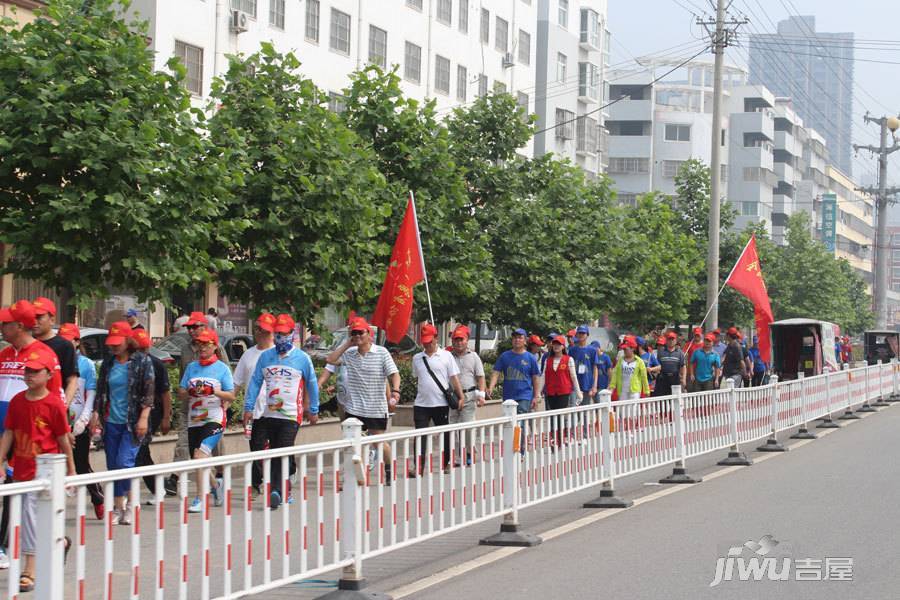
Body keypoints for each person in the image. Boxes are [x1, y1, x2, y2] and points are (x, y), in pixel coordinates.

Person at [0, 353, 75, 593]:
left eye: (35, 372)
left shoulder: (53, 403)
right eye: (27, 371)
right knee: (31, 517)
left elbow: (63, 439)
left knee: (31, 518)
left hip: (45, 471)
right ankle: (60, 542)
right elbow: (9, 433)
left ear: (49, 375)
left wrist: (71, 470)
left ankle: (29, 569)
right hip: (20, 467)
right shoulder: (18, 401)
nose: (29, 376)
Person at [0, 300, 61, 570]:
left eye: (5, 323)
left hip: (29, 438)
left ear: (19, 326)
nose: (1, 327)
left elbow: (56, 399)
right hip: (6, 433)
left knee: (25, 499)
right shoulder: (3, 355)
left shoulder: (43, 355)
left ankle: (25, 557)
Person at [244, 314, 319, 508]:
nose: (280, 338)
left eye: (284, 334)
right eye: (277, 334)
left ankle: (276, 491)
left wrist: (313, 408)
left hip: (291, 415)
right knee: (259, 451)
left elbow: (311, 383)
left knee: (281, 451)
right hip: (268, 414)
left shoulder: (302, 358)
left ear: (292, 334)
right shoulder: (266, 357)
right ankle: (279, 484)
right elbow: (255, 382)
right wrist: (248, 407)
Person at [91, 321, 154, 526]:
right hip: (111, 421)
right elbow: (101, 391)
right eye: (112, 343)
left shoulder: (142, 362)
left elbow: (149, 393)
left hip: (133, 422)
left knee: (124, 462)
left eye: (118, 342)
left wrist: (144, 417)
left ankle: (130, 505)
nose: (114, 346)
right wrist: (96, 414)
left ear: (128, 341)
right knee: (113, 466)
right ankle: (119, 507)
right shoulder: (108, 363)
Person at [326, 316, 400, 480]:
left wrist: (395, 391)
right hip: (354, 408)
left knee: (379, 443)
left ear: (369, 334)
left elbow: (394, 374)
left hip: (375, 408)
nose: (357, 336)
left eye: (360, 332)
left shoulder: (381, 352)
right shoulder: (349, 354)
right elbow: (330, 359)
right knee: (351, 443)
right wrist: (347, 343)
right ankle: (354, 476)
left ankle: (388, 470)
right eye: (354, 333)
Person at [166, 311, 227, 495]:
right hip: (190, 406)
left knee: (214, 445)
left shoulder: (217, 348)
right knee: (185, 442)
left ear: (204, 327)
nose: (191, 331)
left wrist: (224, 399)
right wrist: (182, 394)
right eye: (189, 328)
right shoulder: (185, 349)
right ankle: (174, 478)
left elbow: (225, 374)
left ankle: (220, 475)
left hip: (212, 406)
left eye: (195, 327)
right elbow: (184, 376)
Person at [179, 329, 234, 513]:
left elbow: (231, 395)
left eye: (206, 344)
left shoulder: (222, 369)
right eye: (199, 344)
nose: (201, 347)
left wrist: (214, 392)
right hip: (195, 419)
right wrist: (190, 393)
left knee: (199, 455)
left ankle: (199, 499)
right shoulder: (191, 368)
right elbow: (180, 392)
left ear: (215, 346)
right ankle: (216, 487)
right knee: (198, 461)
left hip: (215, 419)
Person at [58, 323, 105, 519]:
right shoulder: (54, 360)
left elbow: (91, 393)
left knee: (81, 463)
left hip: (78, 421)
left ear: (77, 342)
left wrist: (84, 419)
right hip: (58, 421)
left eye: (69, 339)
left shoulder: (86, 364)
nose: (64, 343)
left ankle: (97, 497)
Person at [410, 323, 464, 475]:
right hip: (421, 403)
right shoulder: (417, 358)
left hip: (441, 403)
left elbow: (454, 378)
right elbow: (417, 377)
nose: (427, 344)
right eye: (424, 342)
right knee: (420, 435)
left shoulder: (446, 356)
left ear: (436, 338)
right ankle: (418, 467)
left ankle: (446, 462)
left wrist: (461, 396)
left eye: (430, 341)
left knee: (445, 433)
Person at [132, 329, 171, 501]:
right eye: (138, 349)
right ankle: (156, 487)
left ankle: (157, 488)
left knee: (140, 451)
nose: (142, 353)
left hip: (153, 412)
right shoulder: (128, 364)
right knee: (139, 451)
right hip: (133, 412)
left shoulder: (156, 364)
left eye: (144, 349)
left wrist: (166, 418)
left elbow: (165, 393)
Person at [448, 325, 485, 466]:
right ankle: (455, 456)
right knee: (452, 428)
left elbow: (480, 377)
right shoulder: (447, 356)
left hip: (469, 397)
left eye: (461, 339)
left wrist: (481, 395)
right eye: (455, 340)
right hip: (452, 398)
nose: (458, 342)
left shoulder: (474, 357)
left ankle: (469, 453)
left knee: (468, 427)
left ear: (467, 340)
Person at [31, 297, 78, 406]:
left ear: (52, 319)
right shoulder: (27, 344)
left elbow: (72, 381)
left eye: (39, 317)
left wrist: (62, 407)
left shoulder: (64, 346)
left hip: (53, 408)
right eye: (32, 317)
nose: (34, 322)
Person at [487, 328, 541, 415]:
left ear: (525, 341)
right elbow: (496, 372)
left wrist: (536, 396)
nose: (517, 340)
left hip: (524, 396)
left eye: (520, 338)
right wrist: (491, 387)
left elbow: (535, 377)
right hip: (508, 396)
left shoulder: (530, 358)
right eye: (515, 337)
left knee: (519, 422)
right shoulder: (504, 356)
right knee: (510, 423)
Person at [541, 335, 581, 446]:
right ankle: (556, 438)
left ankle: (560, 438)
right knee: (553, 415)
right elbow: (543, 376)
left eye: (559, 344)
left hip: (564, 391)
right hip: (550, 391)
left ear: (563, 346)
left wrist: (578, 392)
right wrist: (538, 392)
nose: (556, 346)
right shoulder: (548, 360)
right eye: (554, 344)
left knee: (560, 414)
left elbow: (573, 377)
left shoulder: (569, 359)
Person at [608, 337, 649, 401]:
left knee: (633, 410)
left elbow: (644, 377)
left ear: (632, 349)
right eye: (623, 349)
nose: (624, 351)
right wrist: (612, 387)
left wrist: (646, 391)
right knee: (623, 410)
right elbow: (615, 375)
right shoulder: (620, 361)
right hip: (622, 391)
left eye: (625, 349)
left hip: (634, 391)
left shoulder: (639, 361)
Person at [568, 325, 600, 406]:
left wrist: (594, 386)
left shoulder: (592, 350)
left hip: (587, 384)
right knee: (574, 409)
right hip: (574, 385)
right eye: (579, 333)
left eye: (583, 333)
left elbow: (595, 368)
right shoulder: (572, 350)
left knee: (585, 411)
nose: (581, 335)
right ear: (577, 334)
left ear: (587, 335)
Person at [654, 331, 686, 397]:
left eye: (672, 339)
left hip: (675, 378)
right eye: (669, 339)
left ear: (676, 340)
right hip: (663, 379)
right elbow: (657, 366)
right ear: (666, 340)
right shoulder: (661, 352)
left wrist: (683, 379)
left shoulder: (680, 353)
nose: (671, 341)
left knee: (675, 398)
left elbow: (683, 367)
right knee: (663, 399)